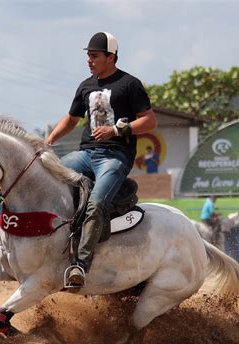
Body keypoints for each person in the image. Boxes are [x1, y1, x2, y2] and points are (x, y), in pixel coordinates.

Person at [44, 32, 157, 287]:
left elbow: (150, 121)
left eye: (94, 56)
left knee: (95, 204)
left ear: (111, 57)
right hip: (85, 155)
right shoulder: (85, 85)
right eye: (88, 56)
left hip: (115, 157)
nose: (89, 60)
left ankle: (80, 266)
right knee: (45, 175)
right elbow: (72, 119)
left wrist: (116, 131)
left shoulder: (130, 84)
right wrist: (49, 139)